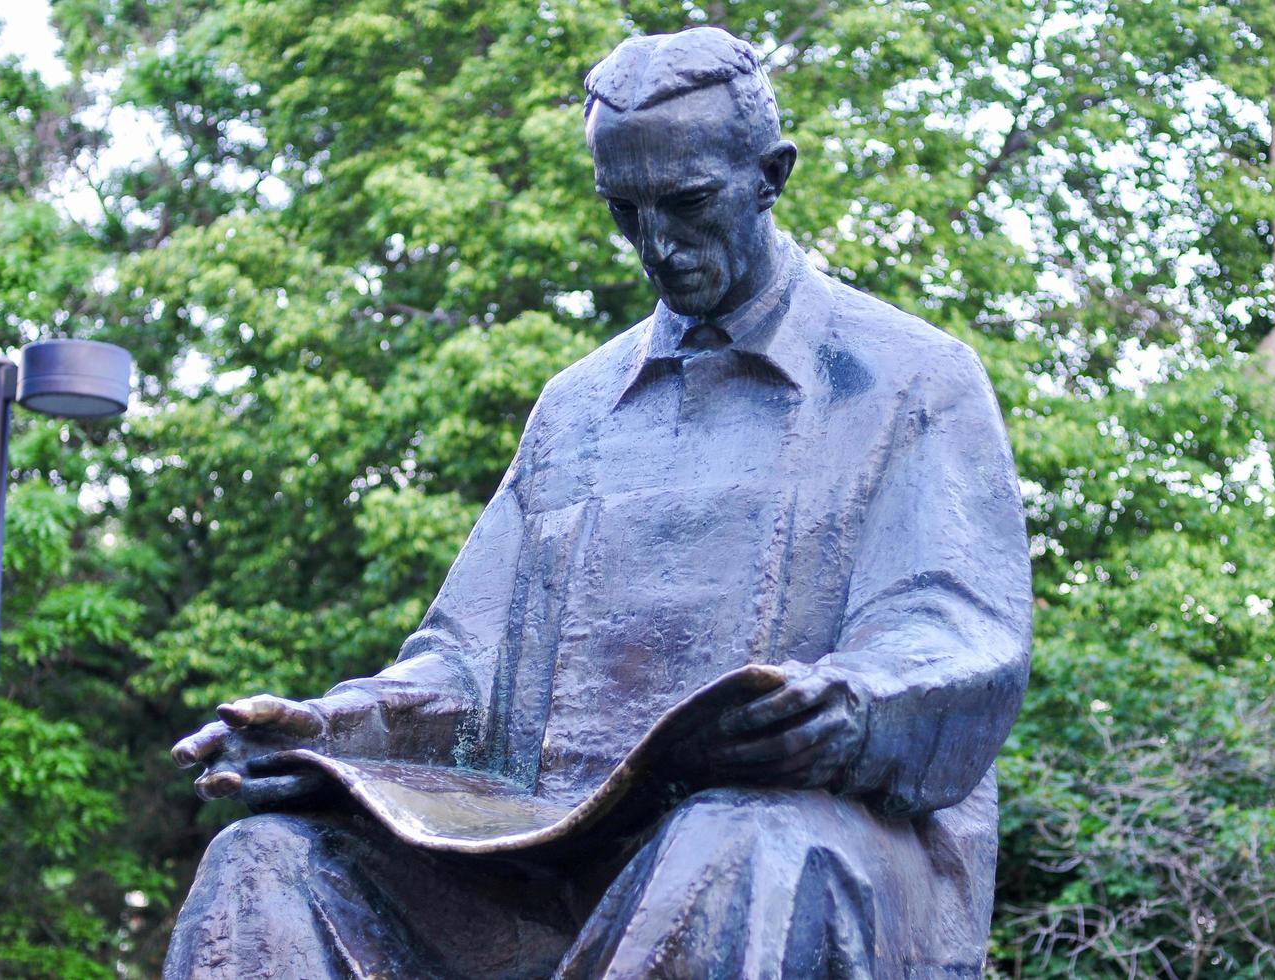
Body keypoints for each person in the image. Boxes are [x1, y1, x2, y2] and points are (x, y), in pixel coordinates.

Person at [165, 26, 1031, 979]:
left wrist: (848, 709)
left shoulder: (913, 380)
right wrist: (332, 732)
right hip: (547, 866)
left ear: (771, 175)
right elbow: (463, 669)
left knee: (734, 844)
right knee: (268, 861)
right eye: (625, 213)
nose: (658, 246)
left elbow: (957, 639)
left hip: (808, 844)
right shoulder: (576, 408)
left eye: (689, 203)